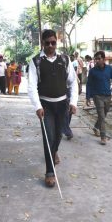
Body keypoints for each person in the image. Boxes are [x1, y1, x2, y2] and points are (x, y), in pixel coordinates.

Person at [28, 29, 78, 188]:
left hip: (62, 105)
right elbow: (31, 86)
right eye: (47, 42)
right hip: (46, 106)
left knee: (58, 135)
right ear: (42, 43)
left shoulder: (65, 60)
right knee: (48, 137)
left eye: (53, 42)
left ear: (57, 42)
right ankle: (50, 172)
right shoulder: (35, 61)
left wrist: (73, 102)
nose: (50, 45)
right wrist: (37, 106)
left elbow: (72, 83)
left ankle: (54, 150)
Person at [86, 51, 112, 145]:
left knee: (104, 114)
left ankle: (95, 127)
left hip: (107, 95)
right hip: (97, 96)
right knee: (102, 116)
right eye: (96, 59)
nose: (97, 61)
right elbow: (89, 84)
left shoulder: (109, 69)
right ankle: (103, 136)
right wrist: (88, 98)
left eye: (98, 58)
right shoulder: (92, 71)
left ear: (104, 59)